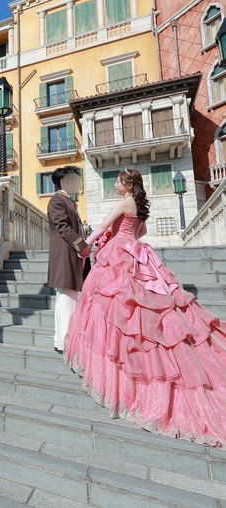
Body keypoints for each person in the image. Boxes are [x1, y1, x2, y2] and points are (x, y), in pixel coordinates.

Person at [65, 168, 226, 446]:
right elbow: (143, 231)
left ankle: (119, 365)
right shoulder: (138, 204)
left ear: (128, 185)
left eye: (118, 182)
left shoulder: (125, 202)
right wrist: (126, 238)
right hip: (135, 251)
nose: (114, 185)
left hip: (119, 253)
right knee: (137, 303)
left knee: (116, 307)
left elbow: (102, 227)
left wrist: (83, 246)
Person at [47, 166, 91, 354]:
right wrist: (82, 246)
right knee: (67, 299)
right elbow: (63, 227)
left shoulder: (67, 200)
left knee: (66, 299)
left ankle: (61, 340)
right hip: (65, 255)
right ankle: (65, 342)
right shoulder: (58, 200)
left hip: (71, 255)